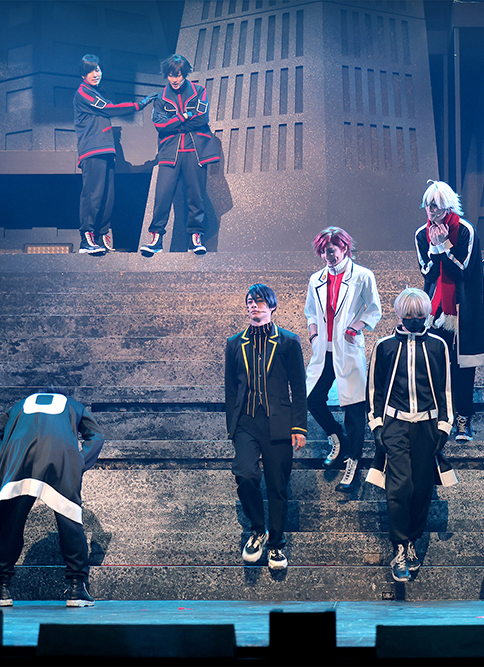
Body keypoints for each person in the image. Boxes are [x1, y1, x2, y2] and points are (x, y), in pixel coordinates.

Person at [0, 390, 105, 607]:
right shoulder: (74, 405)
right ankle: (77, 589)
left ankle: (2, 588)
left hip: (19, 457)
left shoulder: (19, 405)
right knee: (70, 521)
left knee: (11, 525)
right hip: (59, 457)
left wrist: (4, 456)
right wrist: (79, 461)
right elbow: (96, 435)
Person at [367, 288, 453, 582]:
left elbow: (445, 388)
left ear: (427, 315)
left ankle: (412, 540)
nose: (415, 321)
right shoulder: (384, 346)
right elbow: (374, 389)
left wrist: (444, 426)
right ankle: (400, 546)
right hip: (395, 424)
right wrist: (377, 425)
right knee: (399, 486)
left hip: (428, 426)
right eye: (409, 316)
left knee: (421, 488)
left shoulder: (438, 345)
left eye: (420, 316)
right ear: (399, 315)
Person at [225, 284, 308, 570]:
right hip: (246, 422)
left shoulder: (288, 341)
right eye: (250, 301)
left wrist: (299, 427)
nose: (254, 305)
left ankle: (276, 545)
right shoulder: (234, 343)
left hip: (279, 422)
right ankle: (258, 530)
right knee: (245, 474)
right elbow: (230, 388)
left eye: (259, 301)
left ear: (272, 306)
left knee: (277, 485)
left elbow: (299, 387)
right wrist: (232, 425)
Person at [304, 227, 382, 491]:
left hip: (348, 348)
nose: (327, 257)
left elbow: (374, 309)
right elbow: (311, 312)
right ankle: (337, 438)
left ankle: (353, 464)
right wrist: (314, 336)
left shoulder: (363, 276)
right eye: (323, 252)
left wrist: (355, 328)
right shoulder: (316, 279)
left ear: (345, 248)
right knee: (312, 398)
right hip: (323, 350)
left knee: (354, 408)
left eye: (331, 251)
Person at [414, 180, 484, 442]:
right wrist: (436, 248)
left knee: (463, 366)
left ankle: (463, 418)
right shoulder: (421, 234)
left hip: (463, 307)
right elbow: (427, 272)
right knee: (435, 365)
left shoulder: (466, 230)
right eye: (428, 205)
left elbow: (464, 271)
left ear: (447, 207)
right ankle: (440, 416)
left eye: (436, 206)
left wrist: (445, 246)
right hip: (435, 310)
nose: (431, 210)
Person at [74, 54, 156, 255]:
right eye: (91, 71)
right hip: (93, 150)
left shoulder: (96, 93)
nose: (96, 74)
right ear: (83, 75)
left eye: (98, 69)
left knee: (107, 196)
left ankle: (101, 236)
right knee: (93, 194)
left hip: (106, 150)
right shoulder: (83, 93)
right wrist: (139, 105)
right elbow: (110, 109)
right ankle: (87, 238)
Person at [140, 54, 220, 257]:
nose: (174, 79)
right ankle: (156, 239)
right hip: (170, 152)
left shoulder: (199, 91)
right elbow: (160, 125)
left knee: (196, 196)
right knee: (162, 196)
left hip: (195, 151)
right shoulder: (160, 98)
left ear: (185, 74)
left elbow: (201, 118)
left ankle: (196, 237)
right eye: (170, 75)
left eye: (178, 75)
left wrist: (175, 124)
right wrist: (184, 116)